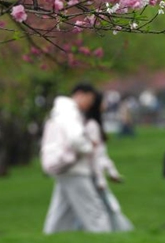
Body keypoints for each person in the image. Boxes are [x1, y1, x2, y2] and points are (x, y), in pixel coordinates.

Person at [42, 84, 111, 234]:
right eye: (90, 99)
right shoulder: (69, 113)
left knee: (60, 215)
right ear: (81, 94)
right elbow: (75, 139)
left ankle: (51, 237)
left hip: (66, 168)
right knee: (94, 212)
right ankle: (104, 236)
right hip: (75, 169)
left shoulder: (59, 112)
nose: (91, 104)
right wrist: (89, 146)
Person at [84, 93, 133, 232]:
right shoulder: (92, 126)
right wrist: (100, 179)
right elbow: (94, 155)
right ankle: (120, 232)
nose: (106, 105)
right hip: (93, 175)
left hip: (95, 174)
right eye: (103, 102)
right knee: (108, 207)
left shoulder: (95, 124)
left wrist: (112, 172)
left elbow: (101, 155)